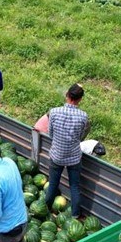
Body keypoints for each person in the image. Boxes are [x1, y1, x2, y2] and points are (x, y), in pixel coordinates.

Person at [43, 84, 90, 219]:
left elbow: (50, 133)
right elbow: (81, 136)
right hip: (74, 157)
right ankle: (75, 215)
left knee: (53, 184)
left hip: (57, 155)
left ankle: (45, 210)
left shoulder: (54, 112)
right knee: (74, 187)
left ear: (67, 95)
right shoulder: (83, 116)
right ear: (80, 99)